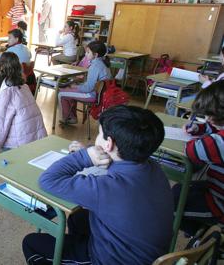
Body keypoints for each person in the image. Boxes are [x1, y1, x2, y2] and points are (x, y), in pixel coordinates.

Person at [23, 105, 173, 265]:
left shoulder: (108, 189)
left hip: (112, 260)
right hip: (145, 253)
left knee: (31, 243)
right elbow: (121, 166)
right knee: (78, 218)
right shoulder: (152, 166)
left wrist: (84, 157)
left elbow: (48, 180)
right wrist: (92, 152)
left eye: (99, 133)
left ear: (109, 144)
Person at [174, 80, 224, 235]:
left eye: (210, 116)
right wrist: (199, 128)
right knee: (179, 189)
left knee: (170, 206)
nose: (207, 119)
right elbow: (214, 128)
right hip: (216, 189)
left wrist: (199, 135)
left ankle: (198, 236)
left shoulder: (220, 142)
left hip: (219, 203)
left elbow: (191, 150)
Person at [0, 52, 46, 154]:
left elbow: (1, 123)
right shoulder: (25, 87)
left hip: (17, 143)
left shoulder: (7, 93)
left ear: (1, 66)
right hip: (35, 138)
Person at [58, 41, 112, 125]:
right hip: (99, 94)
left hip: (92, 95)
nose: (86, 54)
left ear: (96, 55)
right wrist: (77, 85)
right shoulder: (102, 63)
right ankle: (71, 117)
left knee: (61, 93)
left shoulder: (95, 66)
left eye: (88, 52)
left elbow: (88, 88)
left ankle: (68, 118)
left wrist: (75, 86)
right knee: (69, 91)